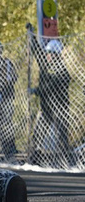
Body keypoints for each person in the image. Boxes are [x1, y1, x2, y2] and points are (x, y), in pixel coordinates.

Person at [30, 38, 73, 167]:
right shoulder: (46, 66)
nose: (48, 55)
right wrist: (32, 38)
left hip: (59, 108)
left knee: (62, 135)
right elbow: (38, 53)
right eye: (48, 53)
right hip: (46, 108)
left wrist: (36, 90)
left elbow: (49, 87)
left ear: (57, 55)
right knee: (38, 134)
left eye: (51, 53)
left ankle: (64, 160)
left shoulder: (62, 71)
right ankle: (35, 157)